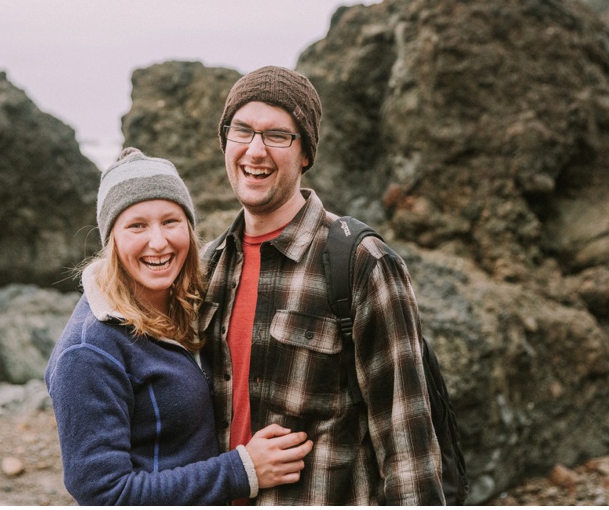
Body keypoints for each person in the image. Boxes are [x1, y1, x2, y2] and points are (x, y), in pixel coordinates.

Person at [200, 66, 446, 505]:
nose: (255, 151)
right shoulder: (209, 267)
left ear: (306, 153)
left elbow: (408, 446)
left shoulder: (359, 263)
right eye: (243, 131)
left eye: (278, 136)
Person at [45, 147, 313, 505]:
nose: (158, 242)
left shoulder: (186, 308)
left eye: (170, 221)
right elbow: (105, 494)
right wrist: (242, 470)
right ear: (112, 239)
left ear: (189, 227)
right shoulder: (90, 349)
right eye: (136, 225)